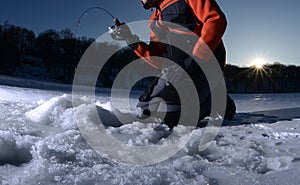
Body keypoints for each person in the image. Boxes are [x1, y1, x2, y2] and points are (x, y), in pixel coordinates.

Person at [109, 0, 236, 130]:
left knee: (173, 116)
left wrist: (195, 59)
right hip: (176, 70)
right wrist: (130, 39)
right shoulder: (153, 20)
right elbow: (159, 59)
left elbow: (216, 20)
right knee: (145, 110)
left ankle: (218, 101)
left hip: (203, 66)